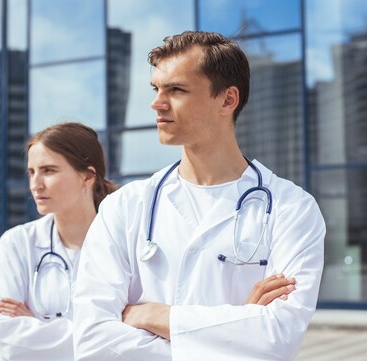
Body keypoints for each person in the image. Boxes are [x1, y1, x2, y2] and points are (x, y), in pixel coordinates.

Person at [72, 31, 325, 361]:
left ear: (227, 100)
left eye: (176, 89)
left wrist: (150, 315)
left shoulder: (292, 209)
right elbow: (92, 342)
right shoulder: (125, 206)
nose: (156, 103)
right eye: (156, 89)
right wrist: (237, 328)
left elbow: (277, 337)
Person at [0, 122, 117, 361]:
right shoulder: (16, 244)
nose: (36, 184)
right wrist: (103, 335)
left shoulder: (122, 246)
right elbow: (8, 338)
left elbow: (139, 336)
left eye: (49, 170)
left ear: (87, 176)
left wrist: (37, 327)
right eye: (31, 172)